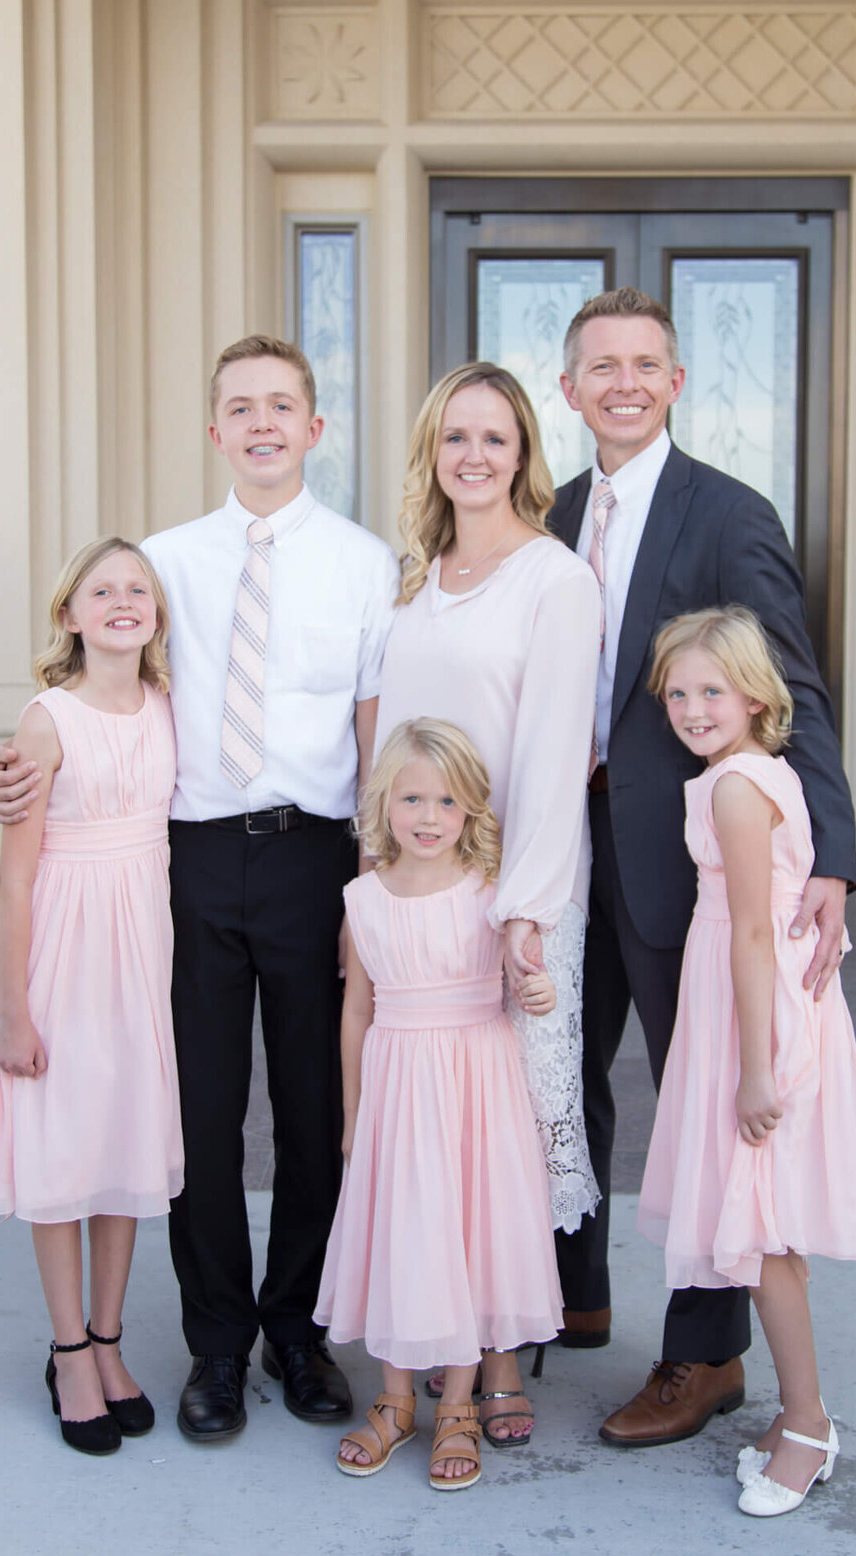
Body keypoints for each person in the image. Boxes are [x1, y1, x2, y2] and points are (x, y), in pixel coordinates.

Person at [0, 336, 401, 1442]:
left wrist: (369, 889)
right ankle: (214, 1344)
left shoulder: (364, 563)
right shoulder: (165, 562)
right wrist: (20, 765)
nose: (262, 423)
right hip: (192, 863)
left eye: (283, 406)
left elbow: (371, 734)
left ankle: (296, 1331)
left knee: (314, 1109)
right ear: (214, 431)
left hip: (315, 856)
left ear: (316, 428)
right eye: (239, 407)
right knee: (200, 1115)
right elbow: (102, 686)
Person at [548, 287, 856, 1448]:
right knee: (557, 1077)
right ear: (569, 387)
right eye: (601, 365)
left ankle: (704, 1355)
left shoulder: (729, 514)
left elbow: (796, 686)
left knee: (702, 1101)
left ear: (675, 382)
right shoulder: (551, 508)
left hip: (685, 864)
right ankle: (569, 1294)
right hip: (562, 851)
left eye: (645, 363)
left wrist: (828, 853)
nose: (623, 381)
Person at [373, 362, 600, 1444]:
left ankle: (504, 1356)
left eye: (495, 438)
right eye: (455, 437)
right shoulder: (417, 576)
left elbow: (557, 755)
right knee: (431, 1124)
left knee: (503, 1130)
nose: (474, 455)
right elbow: (390, 743)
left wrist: (525, 909)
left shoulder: (554, 579)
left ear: (522, 454)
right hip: (415, 887)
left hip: (514, 887)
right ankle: (430, 1335)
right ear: (434, 452)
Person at [0, 537, 183, 1456]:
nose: (123, 600)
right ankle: (68, 1346)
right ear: (69, 615)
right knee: (60, 1150)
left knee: (120, 1143)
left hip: (140, 955)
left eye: (138, 589)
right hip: (62, 954)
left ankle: (113, 1338)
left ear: (156, 613)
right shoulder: (46, 720)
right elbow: (15, 878)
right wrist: (13, 1010)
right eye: (102, 589)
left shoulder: (168, 706)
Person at [636, 606, 856, 1515]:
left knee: (765, 1232)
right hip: (749, 999)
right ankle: (793, 1412)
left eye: (713, 690)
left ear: (755, 694)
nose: (694, 708)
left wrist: (754, 1067)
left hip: (755, 1014)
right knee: (768, 1230)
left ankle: (809, 1426)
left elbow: (747, 930)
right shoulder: (752, 771)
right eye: (679, 692)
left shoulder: (735, 786)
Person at [314, 719, 564, 1490]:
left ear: (471, 810)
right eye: (412, 797)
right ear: (383, 802)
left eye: (446, 801)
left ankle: (458, 1404)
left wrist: (540, 987)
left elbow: (527, 984)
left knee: (465, 1236)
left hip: (474, 1089)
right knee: (402, 1233)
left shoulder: (491, 894)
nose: (428, 816)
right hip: (397, 1088)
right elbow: (357, 1009)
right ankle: (394, 1399)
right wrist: (354, 1115)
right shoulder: (364, 897)